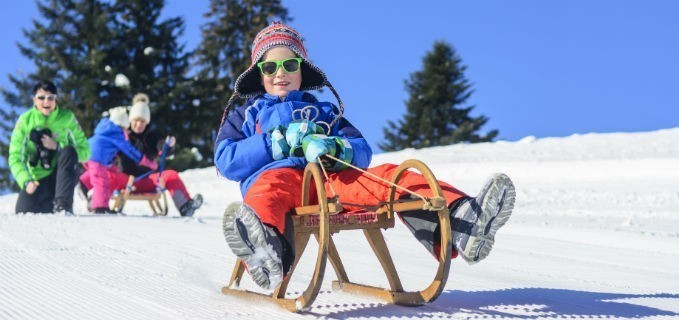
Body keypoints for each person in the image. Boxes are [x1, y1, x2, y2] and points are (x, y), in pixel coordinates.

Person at [215, 22, 516, 291]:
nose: (280, 73)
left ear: (301, 70)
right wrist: (274, 144)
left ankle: (463, 220)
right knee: (266, 194)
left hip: (329, 180)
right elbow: (226, 159)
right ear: (259, 74)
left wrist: (334, 148)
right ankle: (266, 251)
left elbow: (361, 149)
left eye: (290, 65)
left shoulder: (324, 111)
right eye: (270, 68)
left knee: (387, 177)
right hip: (279, 178)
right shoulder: (246, 114)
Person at [80, 93, 203, 216]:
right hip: (124, 179)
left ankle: (185, 206)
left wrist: (168, 146)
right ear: (130, 120)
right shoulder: (121, 136)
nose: (139, 124)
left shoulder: (151, 137)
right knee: (107, 175)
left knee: (171, 175)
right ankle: (96, 202)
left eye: (143, 121)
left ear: (147, 122)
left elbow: (162, 148)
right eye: (136, 120)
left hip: (146, 180)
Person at [8, 81, 90, 215]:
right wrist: (26, 181)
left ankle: (63, 207)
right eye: (41, 97)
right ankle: (48, 203)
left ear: (55, 100)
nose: (46, 101)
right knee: (23, 213)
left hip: (60, 178)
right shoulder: (25, 120)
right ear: (34, 100)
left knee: (69, 151)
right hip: (36, 179)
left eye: (50, 97)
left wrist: (58, 147)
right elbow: (15, 156)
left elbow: (85, 152)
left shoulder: (67, 118)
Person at [84, 106, 158, 214]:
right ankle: (100, 207)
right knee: (102, 182)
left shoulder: (106, 129)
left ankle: (84, 182)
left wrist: (111, 165)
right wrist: (149, 163)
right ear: (122, 125)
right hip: (97, 158)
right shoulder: (117, 134)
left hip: (87, 154)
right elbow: (131, 152)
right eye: (125, 129)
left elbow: (106, 151)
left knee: (100, 175)